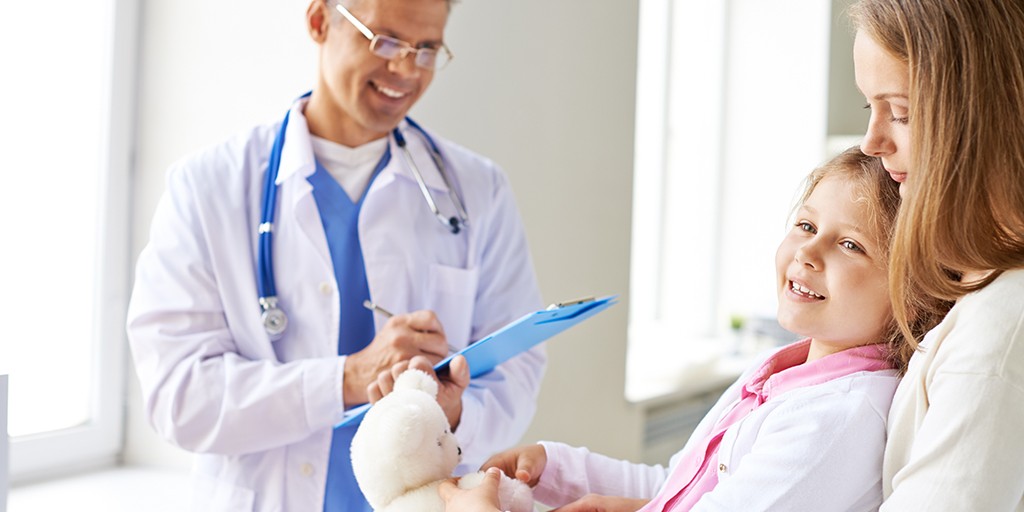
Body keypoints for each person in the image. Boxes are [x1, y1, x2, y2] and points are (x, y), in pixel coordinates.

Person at [125, 0, 546, 510]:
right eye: (385, 41)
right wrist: (348, 378)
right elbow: (180, 397)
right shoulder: (208, 187)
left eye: (427, 49)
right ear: (319, 21)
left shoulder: (478, 190)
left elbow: (516, 373)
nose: (406, 69)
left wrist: (451, 415)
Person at [442, 147, 943, 511]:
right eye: (807, 226)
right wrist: (554, 467)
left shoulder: (841, 418)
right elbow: (677, 484)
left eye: (851, 245)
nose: (808, 253)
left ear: (911, 290)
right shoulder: (779, 377)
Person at [849, 1, 1024, 509]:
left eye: (901, 112)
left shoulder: (1001, 327)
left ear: (985, 113)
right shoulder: (980, 288)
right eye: (871, 108)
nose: (872, 142)